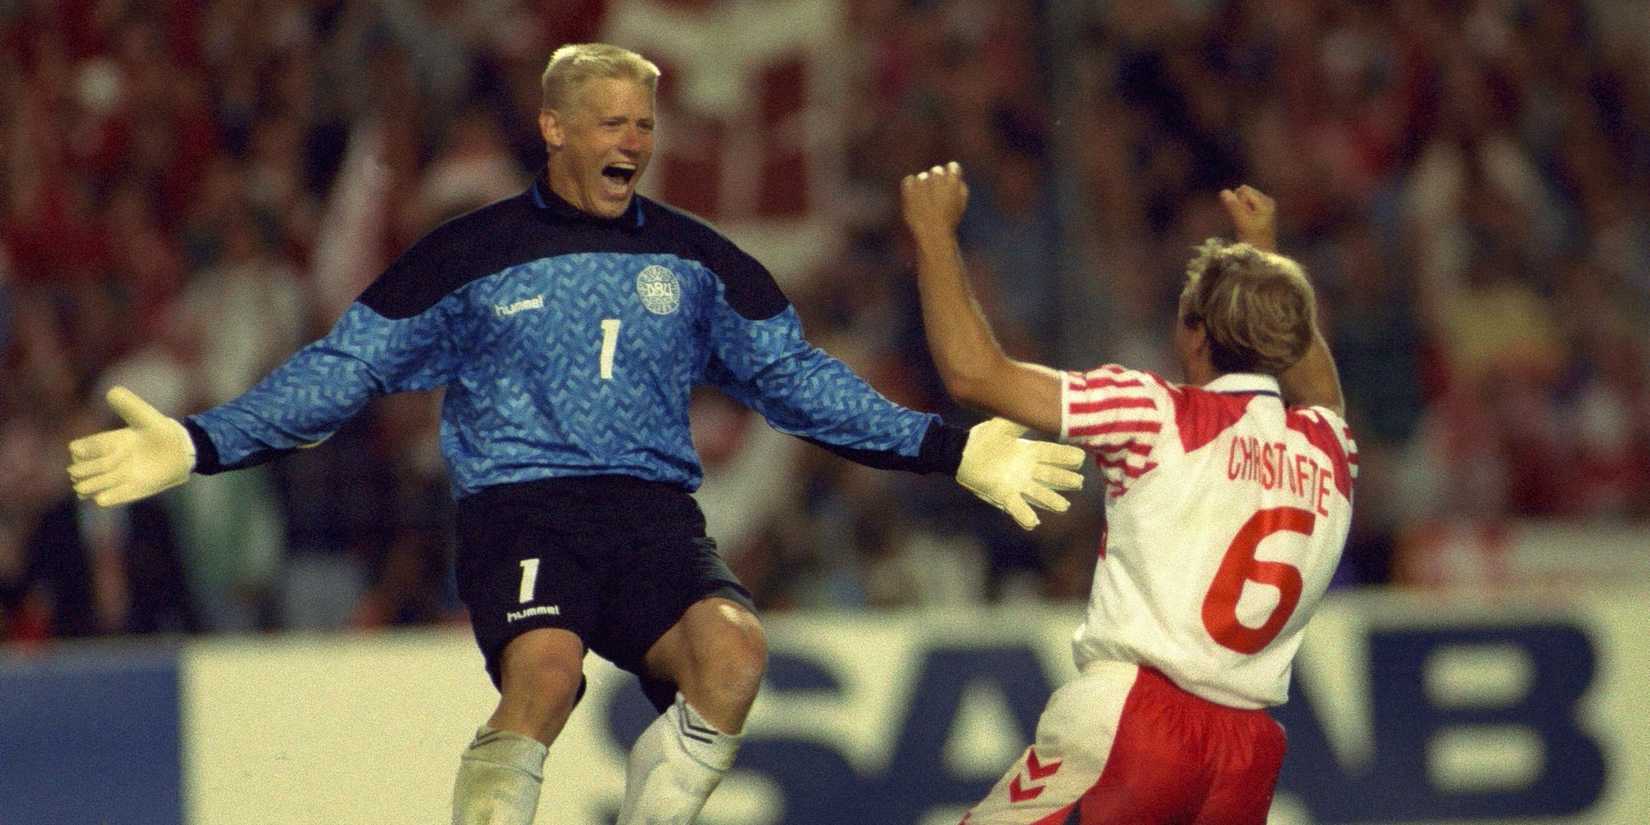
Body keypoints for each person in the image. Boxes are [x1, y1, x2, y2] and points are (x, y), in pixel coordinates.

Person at [64, 45, 1086, 825]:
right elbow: (344, 370)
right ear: (554, 128)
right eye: (609, 124)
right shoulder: (467, 257)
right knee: (546, 675)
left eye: (643, 125)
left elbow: (798, 382)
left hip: (651, 518)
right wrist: (202, 443)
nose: (633, 144)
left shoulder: (699, 264)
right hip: (524, 510)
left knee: (732, 655)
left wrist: (952, 448)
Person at [901, 164, 1356, 824]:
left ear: (1194, 332)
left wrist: (933, 233)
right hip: (1247, 755)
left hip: (1137, 722)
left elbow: (975, 373)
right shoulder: (1327, 448)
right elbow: (1321, 389)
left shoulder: (1157, 413)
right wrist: (1267, 260)